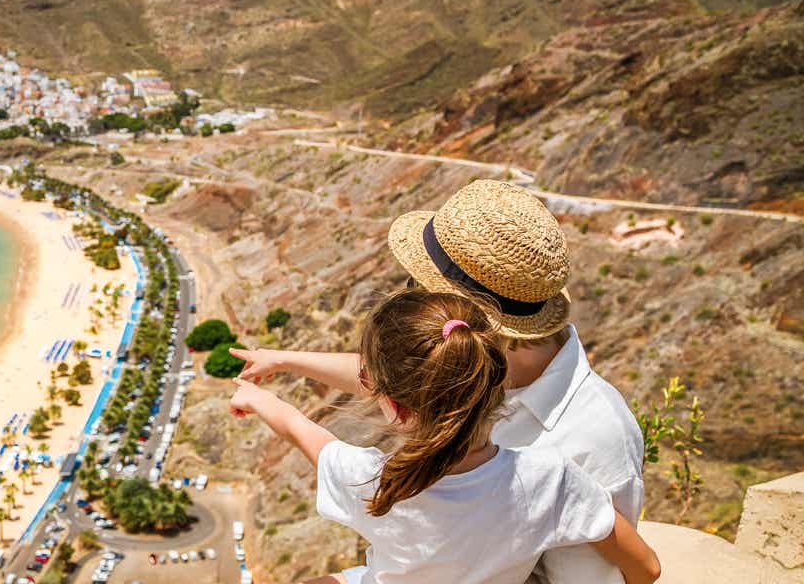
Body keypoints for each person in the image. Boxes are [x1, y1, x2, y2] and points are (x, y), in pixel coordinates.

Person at [234, 179, 644, 583]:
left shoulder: (597, 436)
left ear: (465, 317)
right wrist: (285, 360)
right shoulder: (484, 384)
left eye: (420, 289)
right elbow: (396, 382)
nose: (411, 297)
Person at [228, 289, 659, 584]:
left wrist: (260, 398)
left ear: (394, 406)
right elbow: (646, 569)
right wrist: (284, 361)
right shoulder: (552, 479)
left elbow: (299, 429)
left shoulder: (372, 481)